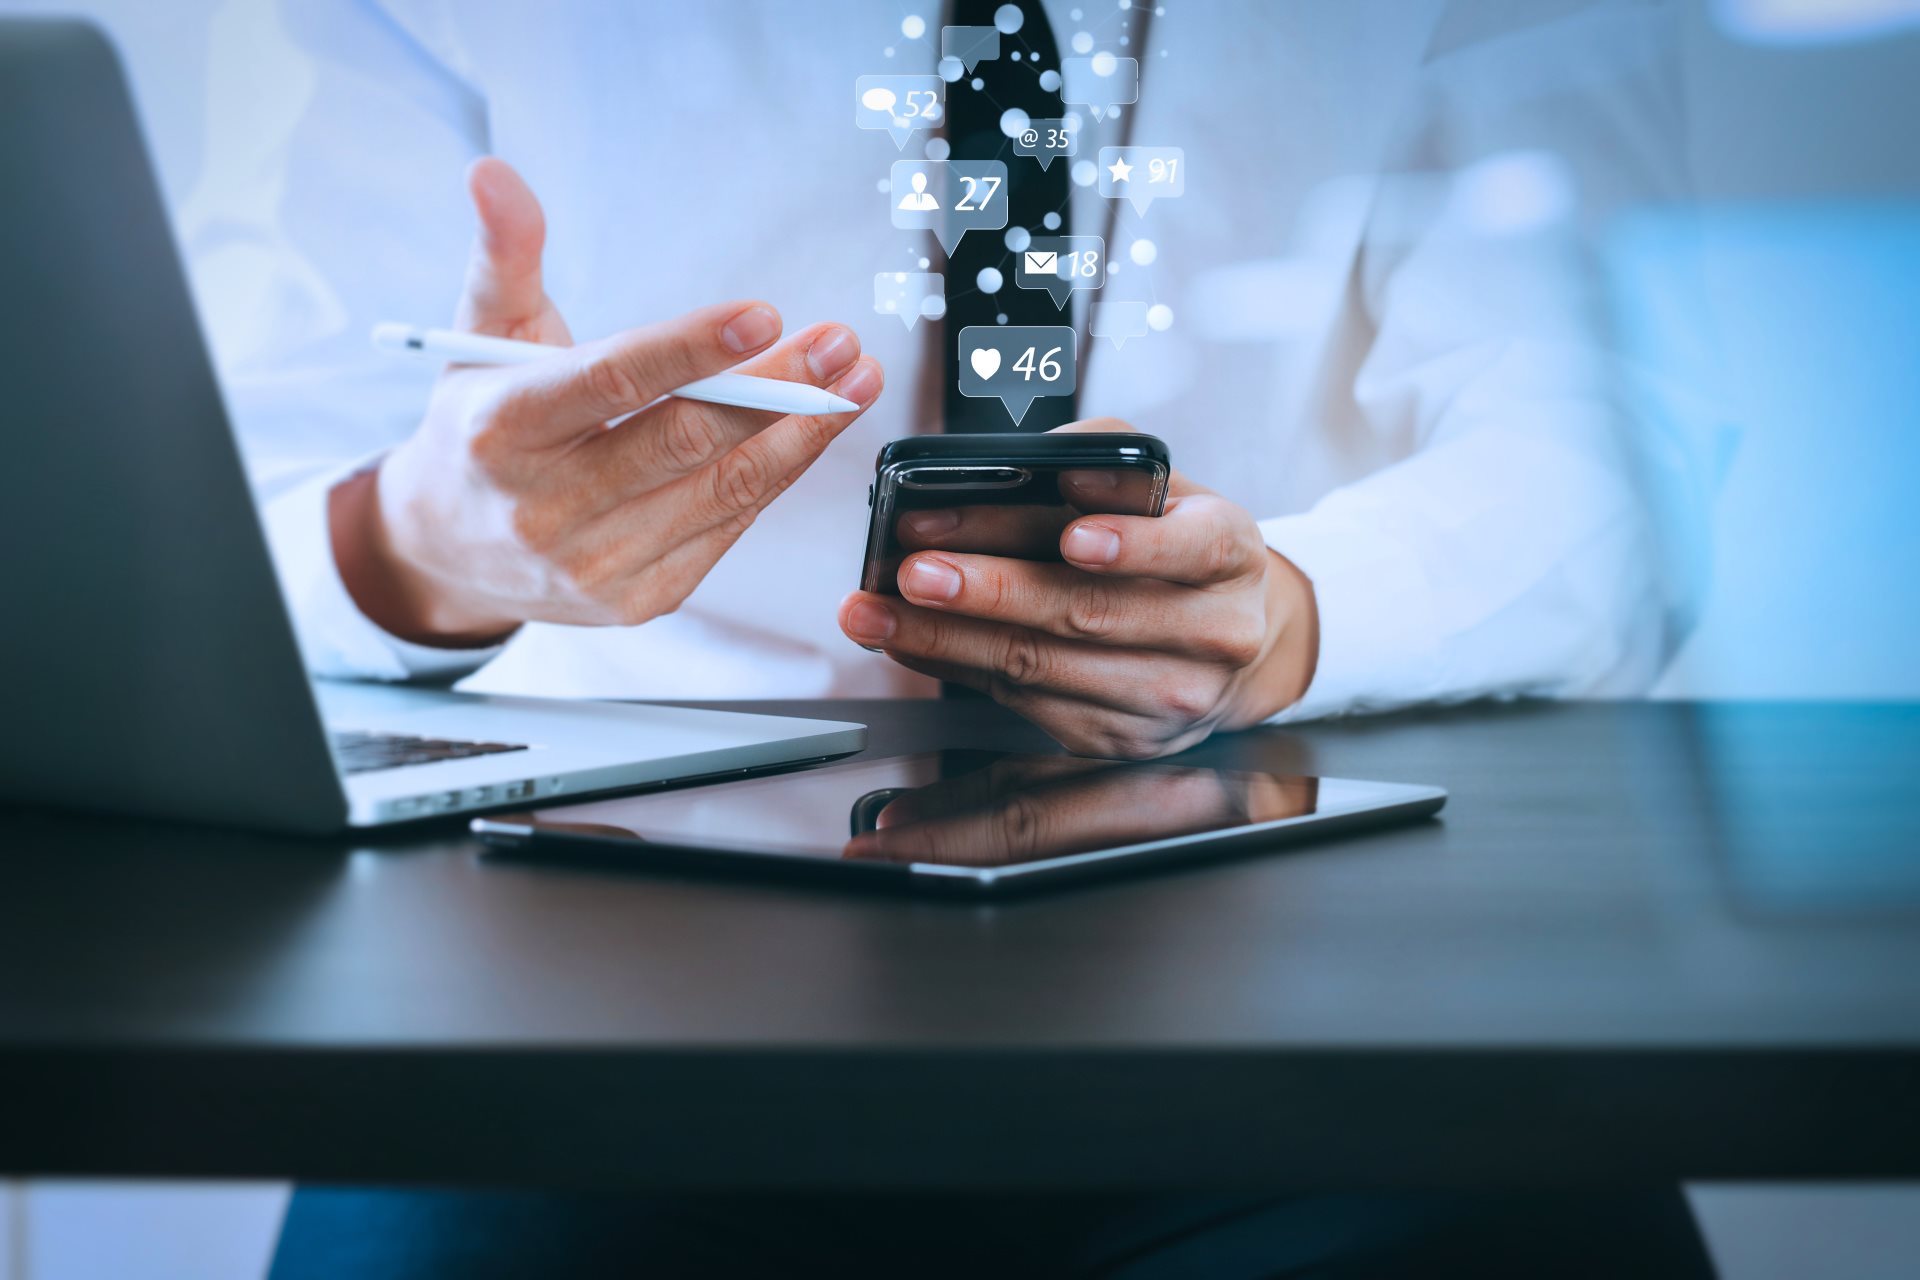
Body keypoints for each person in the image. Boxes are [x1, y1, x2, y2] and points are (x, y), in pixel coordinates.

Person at [181, 0, 1711, 1271]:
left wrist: (1289, 615)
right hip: (573, 1014)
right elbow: (208, 489)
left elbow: (1608, 454)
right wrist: (414, 544)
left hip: (1311, 1005)